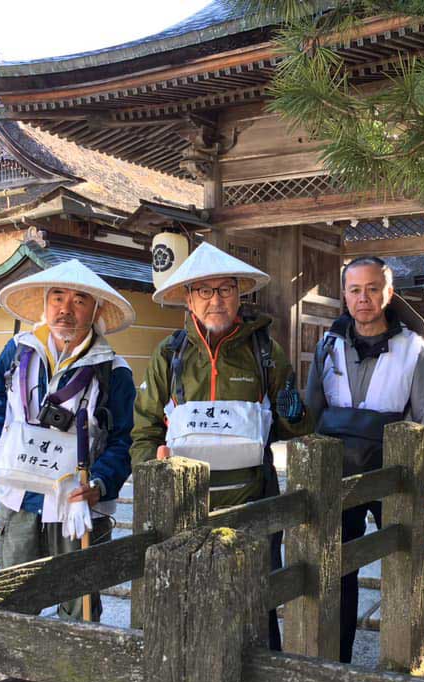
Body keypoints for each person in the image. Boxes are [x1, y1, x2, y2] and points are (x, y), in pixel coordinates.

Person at [132, 241, 311, 650]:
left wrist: (294, 410)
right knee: (188, 609)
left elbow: (297, 429)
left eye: (226, 289)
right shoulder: (169, 355)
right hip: (185, 508)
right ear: (189, 299)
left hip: (254, 504)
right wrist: (152, 469)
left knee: (257, 607)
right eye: (204, 290)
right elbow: (144, 430)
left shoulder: (265, 351)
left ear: (239, 293)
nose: (216, 300)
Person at [0, 259, 136, 682]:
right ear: (45, 303)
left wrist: (101, 483)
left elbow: (124, 439)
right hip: (21, 499)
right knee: (15, 599)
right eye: (57, 298)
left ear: (96, 311)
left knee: (80, 603)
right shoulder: (19, 351)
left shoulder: (113, 371)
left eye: (79, 300)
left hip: (76, 505)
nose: (65, 309)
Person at [305, 256, 424, 663]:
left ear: (389, 293)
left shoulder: (413, 348)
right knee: (335, 569)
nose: (363, 298)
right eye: (354, 290)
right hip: (338, 473)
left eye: (372, 289)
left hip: (394, 470)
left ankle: (409, 657)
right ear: (344, 295)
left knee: (404, 563)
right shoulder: (327, 346)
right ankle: (336, 660)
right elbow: (313, 411)